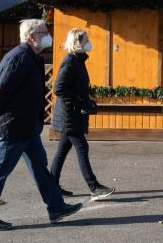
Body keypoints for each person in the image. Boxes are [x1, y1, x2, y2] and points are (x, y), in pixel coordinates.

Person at [0, 19, 83, 231]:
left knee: (39, 166)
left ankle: (56, 207)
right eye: (44, 32)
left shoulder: (33, 57)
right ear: (32, 36)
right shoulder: (20, 57)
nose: (49, 35)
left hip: (28, 125)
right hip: (14, 126)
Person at [50, 28, 115, 200]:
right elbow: (59, 88)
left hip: (70, 114)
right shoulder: (70, 61)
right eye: (86, 40)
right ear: (77, 43)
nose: (89, 42)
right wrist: (78, 102)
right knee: (82, 147)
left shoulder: (77, 61)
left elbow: (74, 87)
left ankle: (51, 186)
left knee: (62, 150)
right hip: (69, 115)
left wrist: (85, 99)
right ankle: (93, 187)